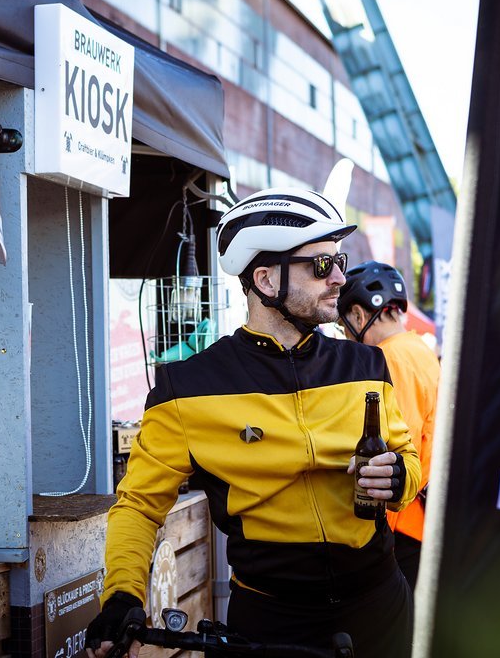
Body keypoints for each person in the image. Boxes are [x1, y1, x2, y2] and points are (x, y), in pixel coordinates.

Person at [86, 188, 420, 658]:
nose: (341, 278)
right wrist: (122, 596)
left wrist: (400, 476)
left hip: (380, 605)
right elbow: (139, 507)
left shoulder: (366, 364)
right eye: (321, 265)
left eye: (339, 260)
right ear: (265, 280)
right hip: (272, 624)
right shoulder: (186, 388)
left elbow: (408, 459)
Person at [338, 261, 438, 589]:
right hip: (426, 521)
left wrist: (377, 538)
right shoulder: (418, 349)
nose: (345, 335)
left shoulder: (390, 357)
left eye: (343, 326)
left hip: (406, 527)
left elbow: (397, 449)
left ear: (358, 315)